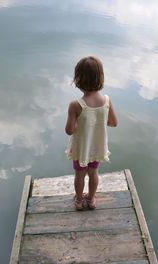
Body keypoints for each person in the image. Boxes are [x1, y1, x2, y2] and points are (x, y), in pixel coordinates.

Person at [65, 56, 118, 210]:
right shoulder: (107, 101)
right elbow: (113, 123)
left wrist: (78, 123)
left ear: (78, 80)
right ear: (100, 78)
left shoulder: (75, 105)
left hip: (81, 148)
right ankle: (91, 198)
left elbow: (69, 131)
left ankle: (80, 200)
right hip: (97, 146)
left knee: (79, 174)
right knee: (94, 172)